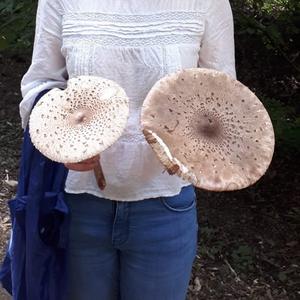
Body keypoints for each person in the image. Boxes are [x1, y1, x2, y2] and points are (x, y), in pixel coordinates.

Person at [17, 0, 236, 299]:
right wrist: (64, 139)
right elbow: (40, 84)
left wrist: (196, 154)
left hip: (165, 207)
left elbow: (224, 98)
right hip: (80, 205)